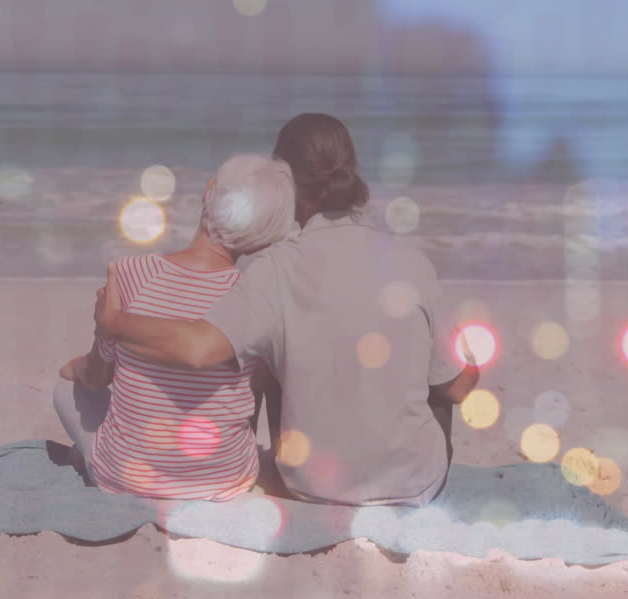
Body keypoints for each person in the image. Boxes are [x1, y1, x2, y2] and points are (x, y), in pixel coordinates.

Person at [94, 113, 480, 507]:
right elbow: (458, 388)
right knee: (436, 377)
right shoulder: (411, 261)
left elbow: (197, 348)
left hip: (308, 485)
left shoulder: (273, 268)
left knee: (272, 348)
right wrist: (469, 357)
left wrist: (117, 323)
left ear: (286, 184)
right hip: (413, 488)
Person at [54, 154, 296, 501]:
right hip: (223, 481)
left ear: (209, 191)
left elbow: (96, 376)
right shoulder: (253, 301)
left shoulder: (133, 274)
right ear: (264, 239)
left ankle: (96, 456)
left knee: (66, 387)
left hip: (130, 478)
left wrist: (74, 368)